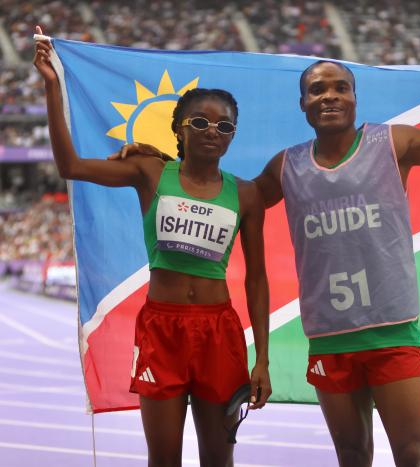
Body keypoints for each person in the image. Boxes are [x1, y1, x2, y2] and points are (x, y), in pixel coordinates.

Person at [121, 60, 420, 467]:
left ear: (356, 97)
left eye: (340, 87)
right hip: (330, 337)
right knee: (352, 455)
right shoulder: (286, 167)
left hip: (391, 333)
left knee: (412, 455)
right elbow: (226, 196)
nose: (329, 96)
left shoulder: (393, 144)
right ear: (303, 104)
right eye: (317, 89)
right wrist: (162, 162)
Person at [34, 27, 271, 467]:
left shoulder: (247, 194)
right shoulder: (149, 172)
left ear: (233, 135)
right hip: (162, 329)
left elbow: (257, 277)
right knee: (163, 459)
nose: (212, 130)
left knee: (219, 459)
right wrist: (52, 85)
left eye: (224, 125)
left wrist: (263, 360)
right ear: (180, 129)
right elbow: (69, 165)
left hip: (220, 333)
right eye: (200, 121)